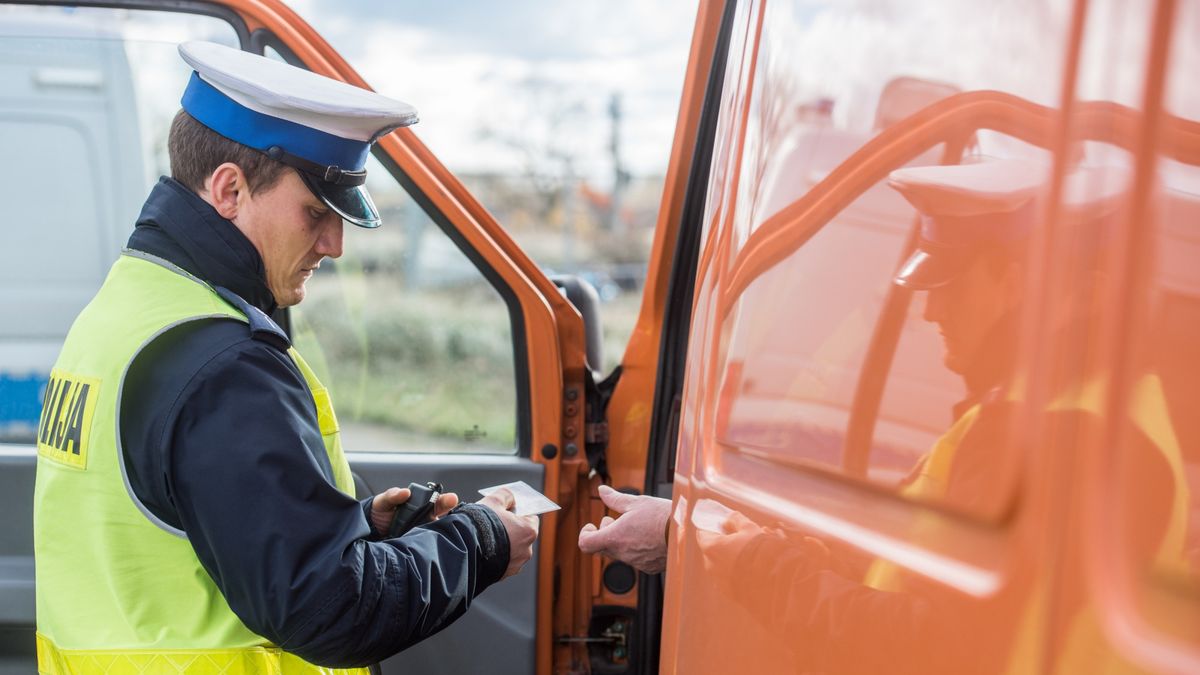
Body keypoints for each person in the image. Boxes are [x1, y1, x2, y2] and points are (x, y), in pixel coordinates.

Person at [33, 41, 538, 674]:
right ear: (229, 189)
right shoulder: (225, 362)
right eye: (314, 213)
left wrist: (355, 527)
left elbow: (189, 528)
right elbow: (328, 610)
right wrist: (480, 539)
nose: (335, 245)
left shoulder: (126, 307)